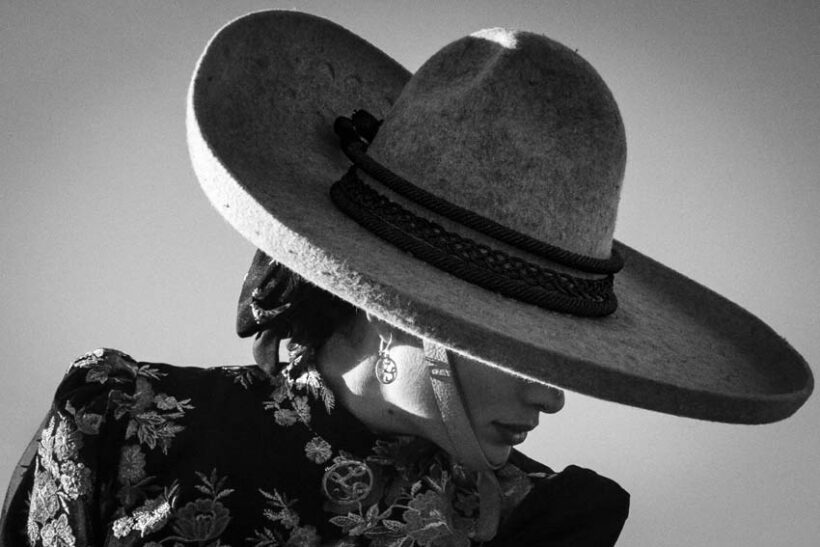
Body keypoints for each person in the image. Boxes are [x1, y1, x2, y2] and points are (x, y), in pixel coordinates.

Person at [0, 9, 812, 547]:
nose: (553, 396)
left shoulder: (542, 525)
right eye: (522, 347)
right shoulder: (118, 427)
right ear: (405, 312)